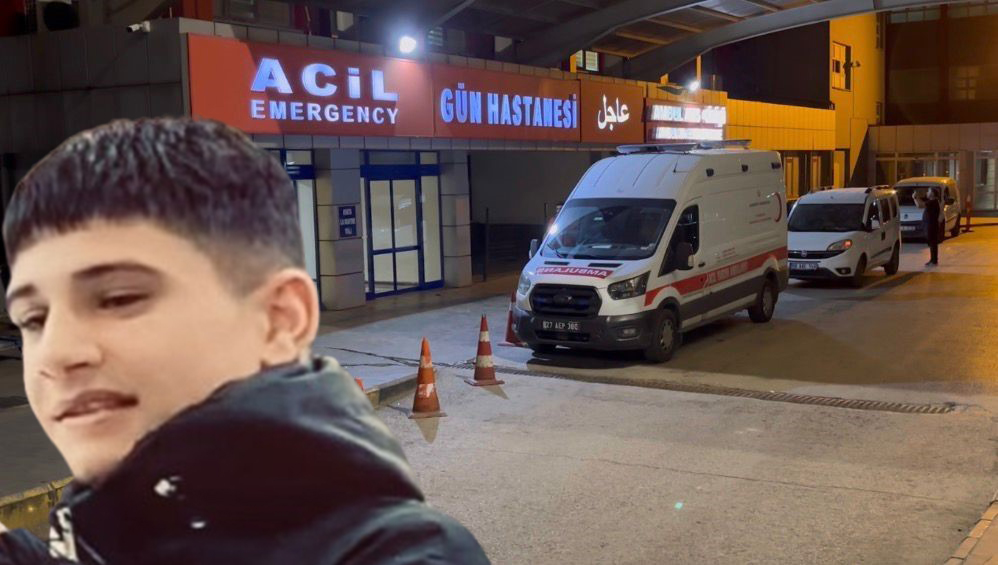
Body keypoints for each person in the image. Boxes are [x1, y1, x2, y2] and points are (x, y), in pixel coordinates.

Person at [0, 118, 490, 565]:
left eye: (118, 298)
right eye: (33, 319)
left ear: (279, 320)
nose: (57, 354)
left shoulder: (403, 555)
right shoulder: (99, 538)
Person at [923, 188, 942, 266]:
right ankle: (933, 259)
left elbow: (919, 205)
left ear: (933, 193)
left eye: (929, 191)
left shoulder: (932, 202)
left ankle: (934, 260)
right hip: (932, 225)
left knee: (932, 243)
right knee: (932, 243)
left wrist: (914, 197)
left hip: (931, 225)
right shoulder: (934, 202)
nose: (927, 192)